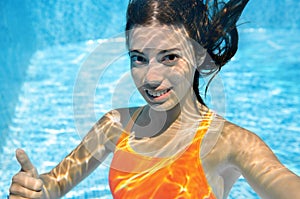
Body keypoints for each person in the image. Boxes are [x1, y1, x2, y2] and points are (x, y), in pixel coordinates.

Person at [9, 0, 300, 198]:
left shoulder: (229, 143)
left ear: (198, 55)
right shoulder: (115, 126)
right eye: (139, 58)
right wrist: (36, 188)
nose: (150, 77)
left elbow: (283, 184)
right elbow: (54, 184)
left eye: (169, 57)